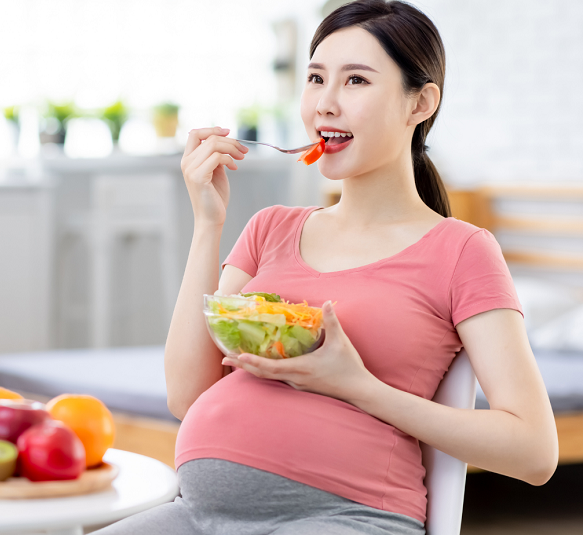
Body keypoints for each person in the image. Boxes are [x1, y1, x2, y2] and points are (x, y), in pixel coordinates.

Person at [92, 1, 558, 534]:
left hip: (345, 517)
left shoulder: (461, 250)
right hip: (197, 514)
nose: (325, 104)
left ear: (420, 103)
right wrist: (206, 224)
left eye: (356, 80)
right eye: (316, 78)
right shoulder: (271, 228)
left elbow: (534, 452)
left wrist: (356, 386)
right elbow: (187, 393)